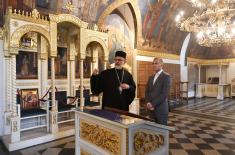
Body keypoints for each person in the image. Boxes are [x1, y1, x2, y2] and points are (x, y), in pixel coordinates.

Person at [145, 57, 171, 125]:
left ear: (162, 65)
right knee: (153, 132)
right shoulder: (151, 77)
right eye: (153, 63)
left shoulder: (166, 77)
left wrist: (152, 104)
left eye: (156, 63)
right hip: (151, 110)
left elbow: (164, 94)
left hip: (161, 109)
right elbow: (147, 91)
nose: (154, 65)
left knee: (162, 132)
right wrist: (148, 102)